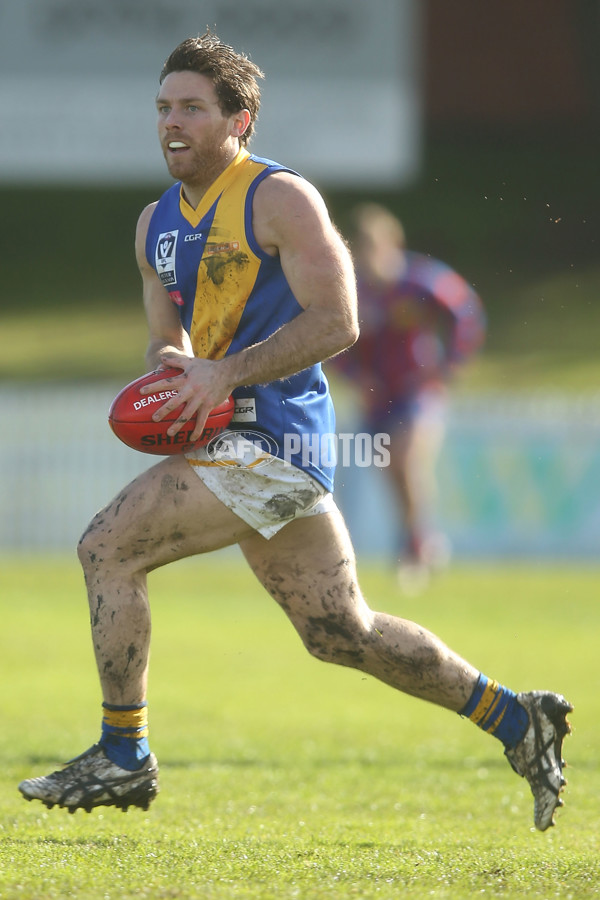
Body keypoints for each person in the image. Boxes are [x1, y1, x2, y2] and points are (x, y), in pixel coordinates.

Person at [18, 32, 571, 831]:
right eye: (164, 108)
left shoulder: (279, 199)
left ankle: (124, 755)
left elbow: (339, 322)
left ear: (239, 119)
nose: (173, 123)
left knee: (107, 547)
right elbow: (164, 340)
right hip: (225, 440)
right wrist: (176, 368)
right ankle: (518, 719)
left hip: (274, 440)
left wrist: (225, 374)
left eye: (193, 109)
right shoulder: (153, 225)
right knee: (341, 632)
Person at [331, 204, 486, 591]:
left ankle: (415, 548)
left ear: (391, 244)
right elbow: (331, 342)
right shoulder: (354, 289)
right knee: (394, 476)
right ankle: (421, 537)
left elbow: (465, 313)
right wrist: (356, 376)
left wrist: (451, 364)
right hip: (375, 397)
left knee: (407, 460)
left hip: (417, 391)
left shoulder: (420, 282)